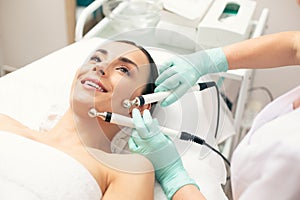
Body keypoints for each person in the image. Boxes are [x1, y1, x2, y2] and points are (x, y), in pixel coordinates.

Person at [129, 31, 300, 199]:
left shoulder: (292, 157)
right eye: (100, 59)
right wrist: (207, 60)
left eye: (124, 70)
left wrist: (172, 176)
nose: (102, 70)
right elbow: (294, 44)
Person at [0, 40, 160, 200]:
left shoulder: (125, 170)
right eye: (96, 59)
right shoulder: (4, 123)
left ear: (139, 106)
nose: (100, 67)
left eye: (123, 69)